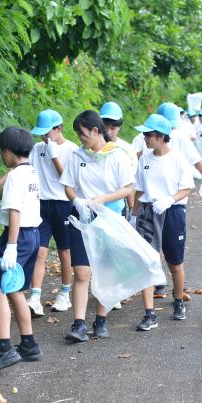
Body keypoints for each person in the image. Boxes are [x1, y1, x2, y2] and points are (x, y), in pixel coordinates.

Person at [60, 110, 134, 342]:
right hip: (82, 216)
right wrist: (77, 201)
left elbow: (128, 188)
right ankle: (79, 324)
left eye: (82, 133)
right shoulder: (76, 156)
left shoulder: (118, 155)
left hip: (109, 217)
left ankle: (101, 318)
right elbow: (68, 185)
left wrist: (101, 200)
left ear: (95, 130)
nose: (80, 138)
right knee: (82, 271)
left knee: (105, 270)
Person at [0, 127, 43, 375]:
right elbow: (6, 193)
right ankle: (28, 344)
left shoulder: (14, 176)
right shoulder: (30, 172)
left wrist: (11, 247)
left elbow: (14, 210)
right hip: (33, 235)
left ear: (7, 151)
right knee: (14, 289)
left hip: (18, 236)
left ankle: (5, 349)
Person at [132, 114, 194, 330]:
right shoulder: (144, 160)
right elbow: (139, 189)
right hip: (149, 212)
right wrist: (134, 215)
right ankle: (149, 314)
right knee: (147, 261)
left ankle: (178, 300)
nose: (145, 138)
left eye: (147, 135)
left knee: (174, 261)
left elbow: (186, 188)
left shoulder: (177, 159)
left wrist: (169, 199)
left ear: (160, 136)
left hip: (172, 210)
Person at [151, 102, 202, 296]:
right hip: (162, 201)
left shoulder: (177, 140)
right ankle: (166, 282)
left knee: (166, 249)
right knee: (161, 248)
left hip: (174, 200)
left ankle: (171, 286)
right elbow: (199, 163)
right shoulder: (153, 138)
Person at [26, 109, 79, 317]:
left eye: (46, 132)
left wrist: (55, 156)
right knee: (39, 251)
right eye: (40, 133)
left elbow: (68, 180)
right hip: (41, 205)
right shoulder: (36, 148)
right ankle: (35, 297)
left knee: (65, 251)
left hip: (64, 205)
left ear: (58, 129)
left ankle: (65, 293)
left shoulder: (72, 150)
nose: (43, 137)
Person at [99, 101, 138, 310]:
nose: (110, 129)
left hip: (116, 206)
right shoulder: (90, 148)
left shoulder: (126, 149)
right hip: (95, 207)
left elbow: (129, 184)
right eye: (106, 124)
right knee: (100, 251)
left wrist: (133, 212)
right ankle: (106, 289)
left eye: (114, 125)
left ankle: (115, 290)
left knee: (116, 250)